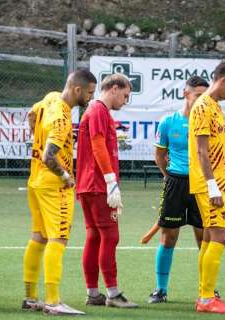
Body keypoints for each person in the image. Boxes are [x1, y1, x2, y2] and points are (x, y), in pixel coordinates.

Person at [22, 69, 96, 315]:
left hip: (35, 181)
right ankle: (53, 301)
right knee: (58, 239)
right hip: (54, 186)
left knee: (38, 237)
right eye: (89, 92)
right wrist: (65, 176)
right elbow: (49, 156)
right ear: (77, 90)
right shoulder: (63, 119)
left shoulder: (51, 97)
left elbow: (31, 114)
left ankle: (31, 297)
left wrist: (37, 137)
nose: (90, 98)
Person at [76, 73, 137, 308]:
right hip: (99, 185)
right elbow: (98, 144)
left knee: (94, 237)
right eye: (125, 95)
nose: (125, 101)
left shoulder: (94, 111)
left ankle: (93, 293)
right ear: (113, 88)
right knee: (110, 236)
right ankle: (112, 293)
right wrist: (111, 181)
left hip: (87, 185)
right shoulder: (100, 110)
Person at [189, 60, 225, 314]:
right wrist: (212, 186)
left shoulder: (214, 106)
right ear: (223, 80)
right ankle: (206, 298)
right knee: (220, 237)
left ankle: (205, 294)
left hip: (221, 181)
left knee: (211, 238)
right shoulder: (203, 107)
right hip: (212, 184)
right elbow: (201, 151)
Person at [147, 76, 209, 304]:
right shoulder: (168, 122)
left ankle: (207, 288)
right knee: (168, 237)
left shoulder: (210, 122)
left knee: (204, 237)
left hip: (201, 184)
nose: (201, 100)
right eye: (197, 95)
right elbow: (159, 155)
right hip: (176, 182)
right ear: (186, 94)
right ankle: (160, 289)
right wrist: (169, 177)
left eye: (205, 96)